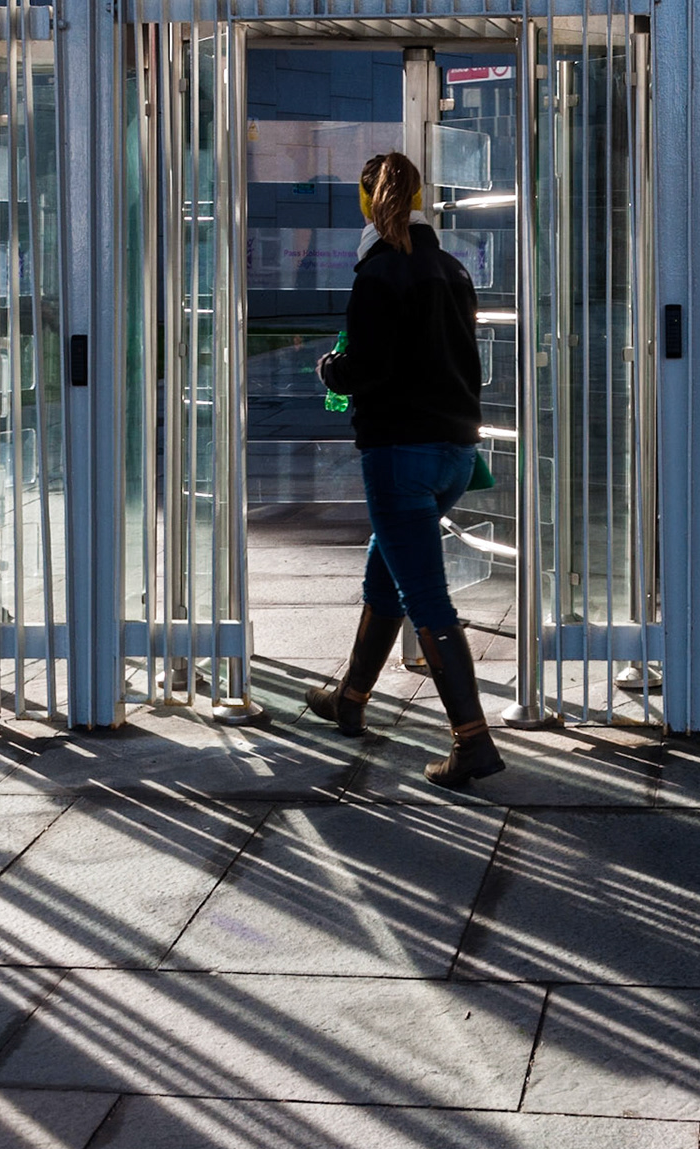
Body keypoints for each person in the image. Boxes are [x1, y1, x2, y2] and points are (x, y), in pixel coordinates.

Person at [310, 152, 503, 788]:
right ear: (420, 198)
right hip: (454, 453)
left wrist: (330, 371)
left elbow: (363, 368)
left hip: (399, 457)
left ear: (366, 204)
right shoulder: (451, 269)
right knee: (386, 571)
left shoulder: (378, 275)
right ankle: (350, 702)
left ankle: (472, 741)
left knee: (424, 595)